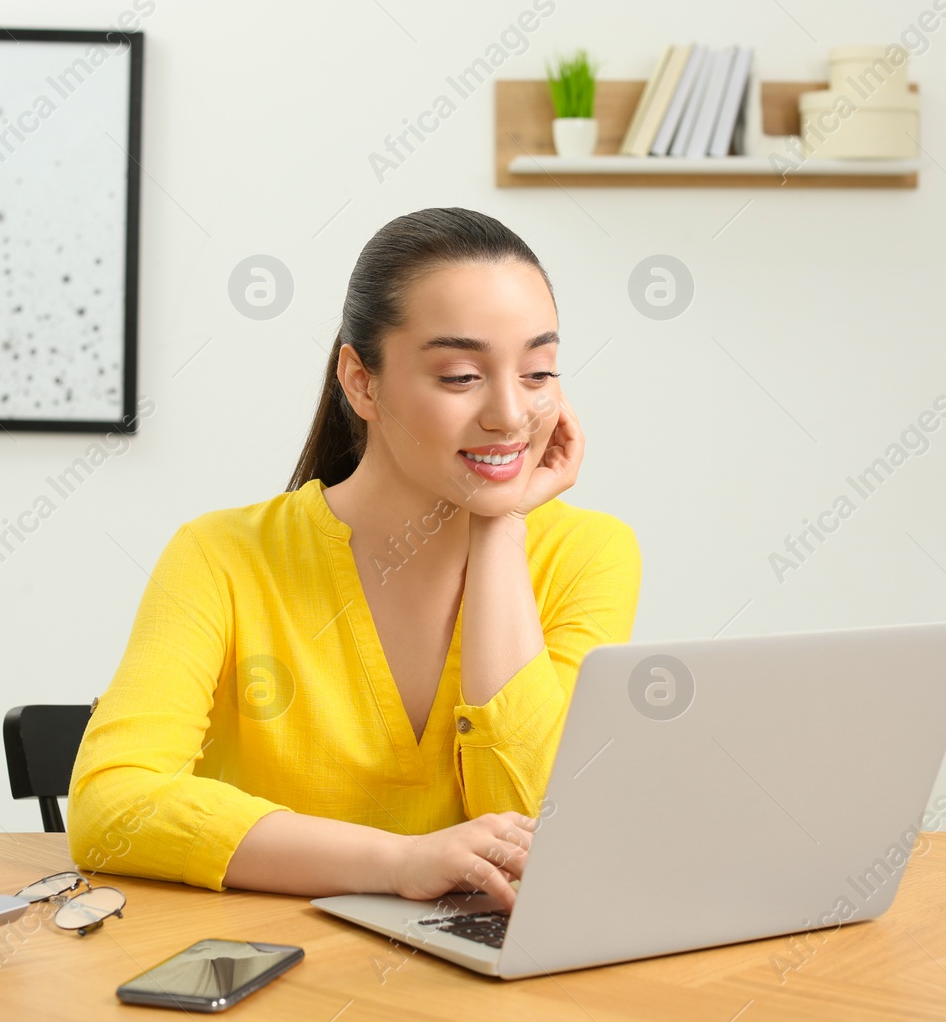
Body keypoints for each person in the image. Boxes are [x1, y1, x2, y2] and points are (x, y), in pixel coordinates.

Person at [67, 206, 642, 911]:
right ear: (362, 381)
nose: (509, 413)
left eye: (538, 371)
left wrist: (501, 527)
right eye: (461, 375)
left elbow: (544, 830)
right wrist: (398, 861)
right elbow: (110, 806)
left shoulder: (589, 553)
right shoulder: (219, 556)